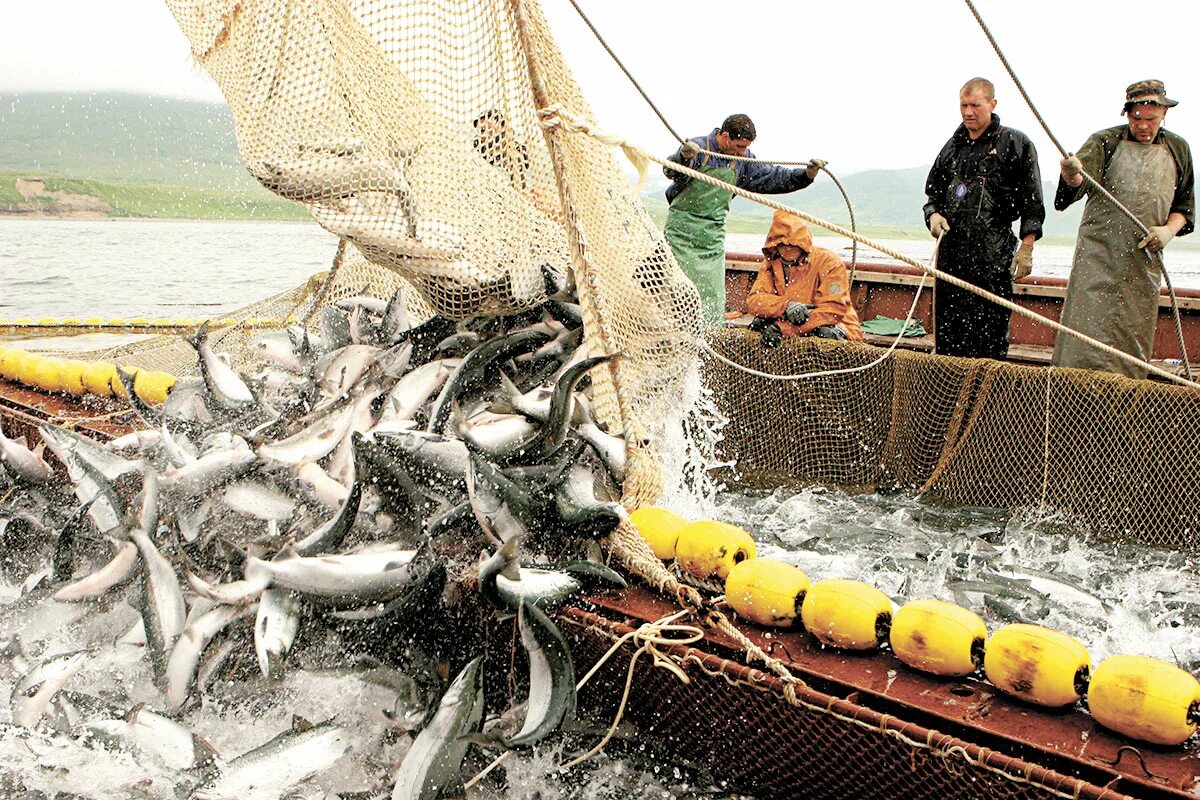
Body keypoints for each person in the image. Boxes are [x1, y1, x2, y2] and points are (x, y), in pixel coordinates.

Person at [1052, 80, 1195, 379]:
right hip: (1097, 259)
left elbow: (1184, 206)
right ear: (1127, 115)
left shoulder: (1178, 149)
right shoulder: (1104, 142)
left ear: (1164, 115)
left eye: (1150, 120)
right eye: (1136, 119)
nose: (1143, 126)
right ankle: (1073, 402)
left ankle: (1122, 413)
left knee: (1131, 345)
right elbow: (1076, 187)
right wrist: (1070, 174)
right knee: (1083, 340)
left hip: (1142, 265)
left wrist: (1168, 231)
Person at [923, 78, 1044, 360]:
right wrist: (933, 215)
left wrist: (1026, 247)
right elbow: (932, 195)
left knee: (989, 333)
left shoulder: (1016, 143)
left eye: (975, 105)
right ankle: (951, 395)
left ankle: (985, 396)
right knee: (949, 334)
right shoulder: (952, 147)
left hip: (993, 254)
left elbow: (1032, 202)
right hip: (951, 255)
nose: (968, 112)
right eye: (963, 105)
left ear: (992, 104)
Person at [664, 114, 824, 325]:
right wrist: (683, 156)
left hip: (712, 236)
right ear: (725, 136)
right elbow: (670, 171)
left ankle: (709, 332)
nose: (742, 152)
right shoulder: (699, 147)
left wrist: (805, 175)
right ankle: (675, 328)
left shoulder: (742, 161)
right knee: (678, 286)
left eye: (745, 148)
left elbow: (772, 177)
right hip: (681, 232)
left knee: (712, 292)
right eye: (739, 146)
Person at [746, 210, 862, 347]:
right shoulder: (770, 264)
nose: (788, 248)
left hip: (835, 325)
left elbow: (833, 310)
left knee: (824, 333)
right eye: (783, 244)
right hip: (787, 322)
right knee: (758, 325)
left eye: (794, 244)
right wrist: (785, 306)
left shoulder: (830, 263)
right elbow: (755, 300)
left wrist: (782, 328)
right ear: (774, 244)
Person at [473, 108, 530, 190]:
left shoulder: (517, 150)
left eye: (490, 129)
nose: (485, 135)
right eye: (482, 130)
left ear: (503, 127)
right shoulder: (479, 145)